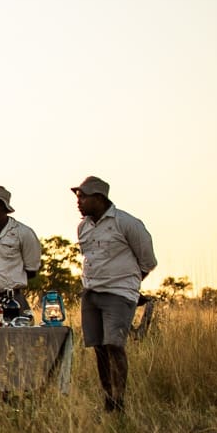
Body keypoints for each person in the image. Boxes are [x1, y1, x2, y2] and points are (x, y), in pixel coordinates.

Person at [71, 176, 157, 414]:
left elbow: (148, 260)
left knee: (114, 345)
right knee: (99, 347)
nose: (79, 202)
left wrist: (129, 285)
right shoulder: (83, 226)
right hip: (91, 292)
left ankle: (120, 401)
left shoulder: (126, 223)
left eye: (84, 197)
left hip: (119, 293)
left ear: (99, 198)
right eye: (78, 197)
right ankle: (109, 399)